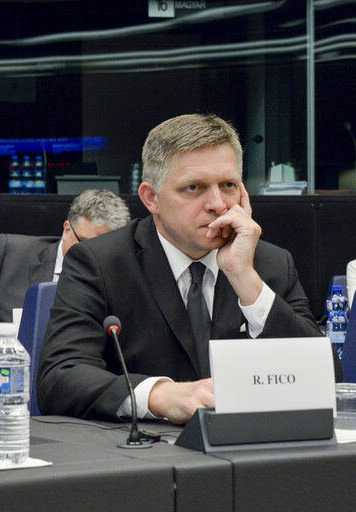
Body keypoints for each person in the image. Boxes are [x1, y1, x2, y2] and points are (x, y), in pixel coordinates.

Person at [37, 114, 341, 425]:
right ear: (151, 198)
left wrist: (244, 279)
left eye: (228, 185)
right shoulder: (100, 262)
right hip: (143, 458)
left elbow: (327, 377)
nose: (218, 204)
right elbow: (60, 378)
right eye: (194, 187)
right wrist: (162, 397)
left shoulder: (268, 263)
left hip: (250, 452)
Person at [0, 189, 130, 350]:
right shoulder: (11, 254)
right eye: (86, 243)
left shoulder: (121, 278)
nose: (94, 254)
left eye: (105, 247)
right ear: (67, 229)